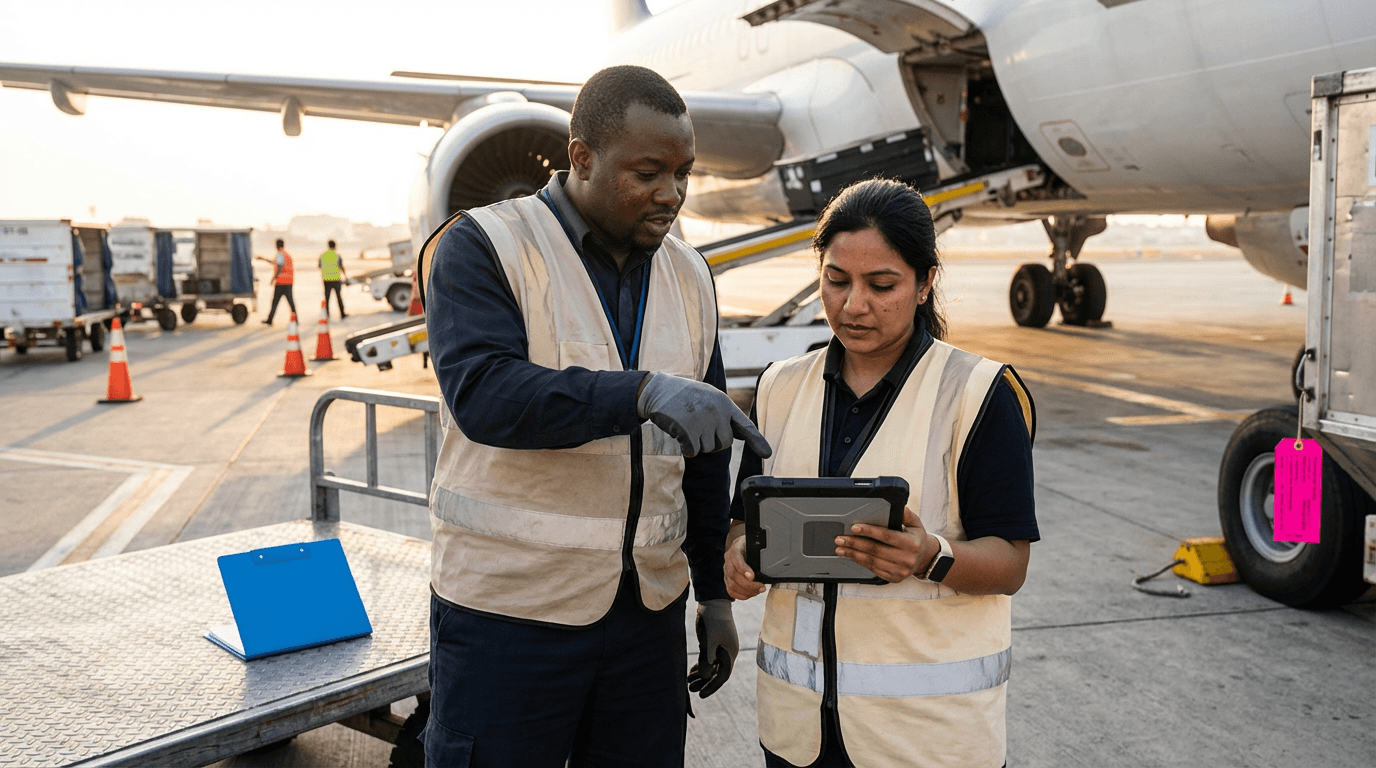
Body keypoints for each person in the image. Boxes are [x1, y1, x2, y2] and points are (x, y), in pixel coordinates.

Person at [418, 65, 771, 768]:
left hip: (645, 621)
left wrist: (714, 596)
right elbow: (486, 394)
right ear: (581, 157)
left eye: (684, 173)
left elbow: (701, 456)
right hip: (509, 620)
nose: (670, 194)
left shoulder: (691, 276)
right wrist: (640, 393)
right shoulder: (483, 245)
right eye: (647, 173)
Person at [724, 179, 1038, 768]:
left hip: (925, 740)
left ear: (924, 285)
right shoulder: (778, 387)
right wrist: (738, 560)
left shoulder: (979, 393)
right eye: (836, 280)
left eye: (882, 285)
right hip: (797, 733)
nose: (853, 305)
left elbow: (1011, 564)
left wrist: (930, 555)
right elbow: (743, 524)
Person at [262, 238, 296, 324]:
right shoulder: (286, 255)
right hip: (289, 282)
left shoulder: (280, 254)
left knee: (275, 302)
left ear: (276, 246)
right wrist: (263, 259)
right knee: (290, 302)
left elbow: (280, 267)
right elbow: (274, 262)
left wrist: (273, 278)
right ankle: (295, 319)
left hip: (281, 282)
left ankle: (270, 320)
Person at [319, 239, 347, 319]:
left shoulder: (323, 255)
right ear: (335, 246)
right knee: (338, 297)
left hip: (326, 280)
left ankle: (327, 314)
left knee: (327, 298)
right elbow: (341, 267)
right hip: (336, 279)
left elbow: (319, 266)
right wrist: (346, 277)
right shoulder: (337, 256)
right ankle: (342, 314)